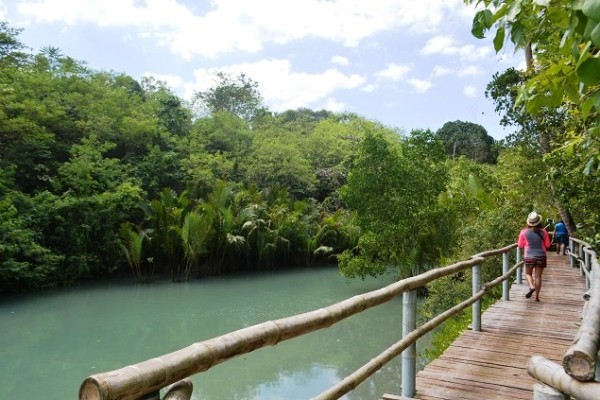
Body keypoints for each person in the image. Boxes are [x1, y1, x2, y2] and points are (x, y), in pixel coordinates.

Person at [517, 212, 551, 302]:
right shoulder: (544, 232)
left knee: (528, 274)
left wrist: (526, 243)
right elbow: (548, 245)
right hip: (541, 256)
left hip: (529, 256)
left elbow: (520, 245)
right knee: (538, 277)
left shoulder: (523, 232)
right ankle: (537, 297)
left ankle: (531, 286)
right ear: (539, 221)